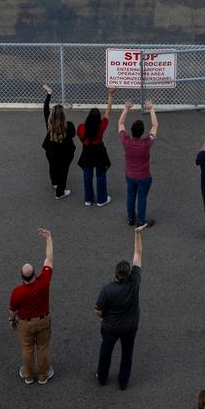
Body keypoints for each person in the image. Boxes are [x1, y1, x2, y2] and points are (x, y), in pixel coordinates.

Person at [93, 224, 147, 389]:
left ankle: (102, 377)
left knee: (106, 352)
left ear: (116, 273)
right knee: (127, 353)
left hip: (111, 327)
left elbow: (98, 311)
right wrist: (137, 234)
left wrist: (104, 316)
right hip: (130, 326)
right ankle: (123, 382)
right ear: (129, 273)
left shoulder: (108, 290)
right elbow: (138, 254)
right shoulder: (134, 282)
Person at [9, 228, 56, 385]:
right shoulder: (44, 282)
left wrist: (12, 320)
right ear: (34, 273)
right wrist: (48, 238)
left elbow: (12, 310)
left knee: (27, 349)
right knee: (42, 347)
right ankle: (43, 375)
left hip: (26, 323)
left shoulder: (17, 292)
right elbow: (49, 259)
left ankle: (28, 375)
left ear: (22, 277)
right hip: (43, 320)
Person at [119, 98, 158, 227]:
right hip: (143, 176)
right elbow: (154, 126)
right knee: (142, 198)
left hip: (130, 175)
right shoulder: (146, 143)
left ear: (132, 131)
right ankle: (141, 220)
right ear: (142, 132)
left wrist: (126, 109)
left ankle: (131, 218)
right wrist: (151, 109)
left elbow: (120, 124)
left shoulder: (126, 141)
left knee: (130, 196)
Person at [77, 88, 114, 206]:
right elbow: (108, 112)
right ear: (98, 119)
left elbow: (80, 137)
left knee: (87, 175)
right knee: (101, 175)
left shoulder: (82, 127)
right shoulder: (101, 127)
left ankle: (88, 198)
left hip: (87, 152)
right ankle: (102, 199)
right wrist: (110, 95)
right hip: (99, 152)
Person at [40, 85, 74, 199]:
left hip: (51, 151)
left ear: (52, 115)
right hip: (65, 153)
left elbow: (45, 109)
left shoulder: (50, 125)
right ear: (64, 116)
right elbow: (73, 135)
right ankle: (60, 192)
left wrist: (49, 94)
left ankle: (54, 182)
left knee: (53, 166)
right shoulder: (68, 126)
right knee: (63, 171)